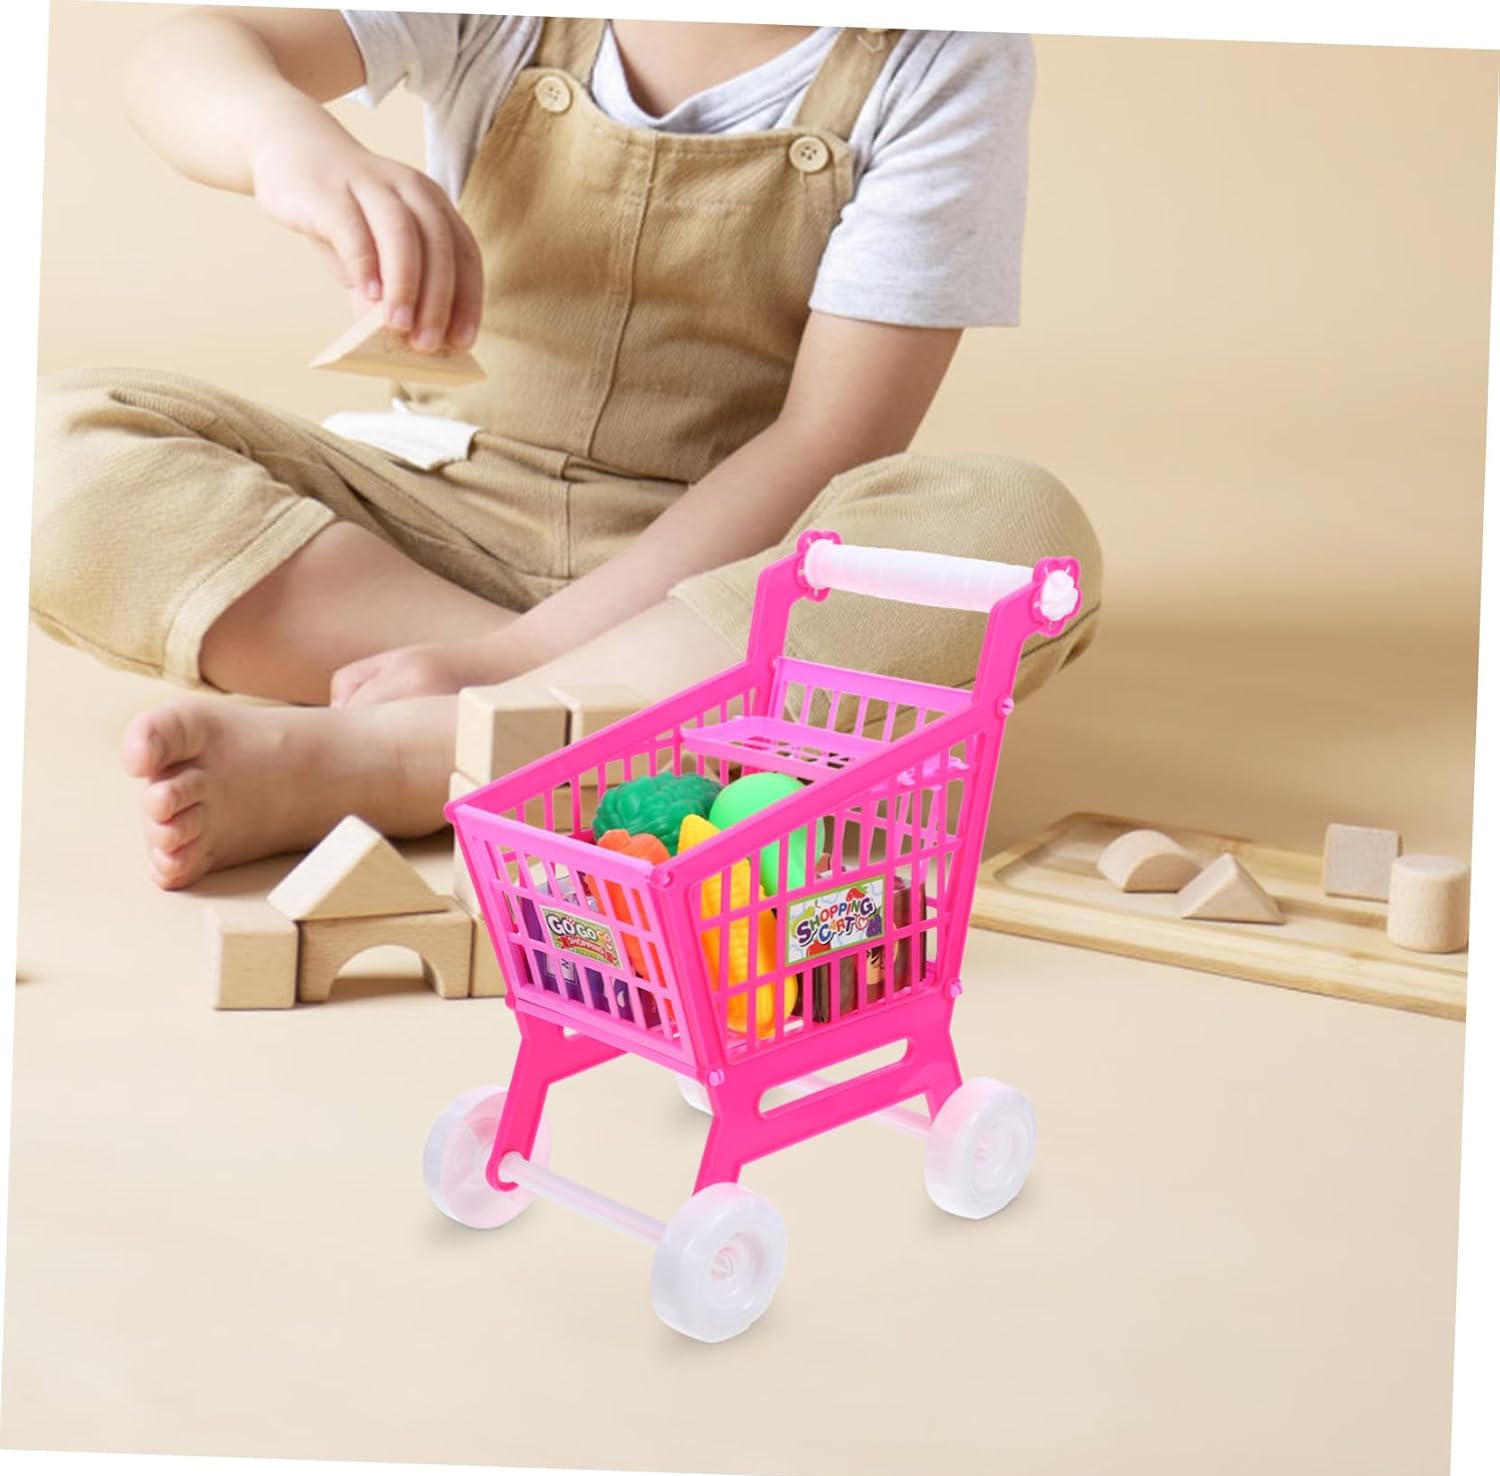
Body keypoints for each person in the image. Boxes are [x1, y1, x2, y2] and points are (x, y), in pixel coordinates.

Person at [29, 10, 1103, 888]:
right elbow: (188, 49)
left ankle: (418, 754)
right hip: (433, 523)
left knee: (1016, 535)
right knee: (39, 451)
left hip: (730, 580)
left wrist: (510, 668)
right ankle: (617, 725)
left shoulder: (945, 56)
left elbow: (830, 438)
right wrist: (286, 143)